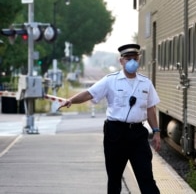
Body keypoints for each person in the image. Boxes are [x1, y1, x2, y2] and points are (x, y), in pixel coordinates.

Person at [58, 43, 161, 194]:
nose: (132, 61)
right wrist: (71, 100)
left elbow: (151, 108)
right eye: (128, 58)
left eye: (134, 58)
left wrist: (156, 132)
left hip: (138, 134)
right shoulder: (110, 80)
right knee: (114, 178)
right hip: (116, 134)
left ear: (138, 60)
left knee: (146, 178)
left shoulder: (146, 83)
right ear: (121, 61)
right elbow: (89, 93)